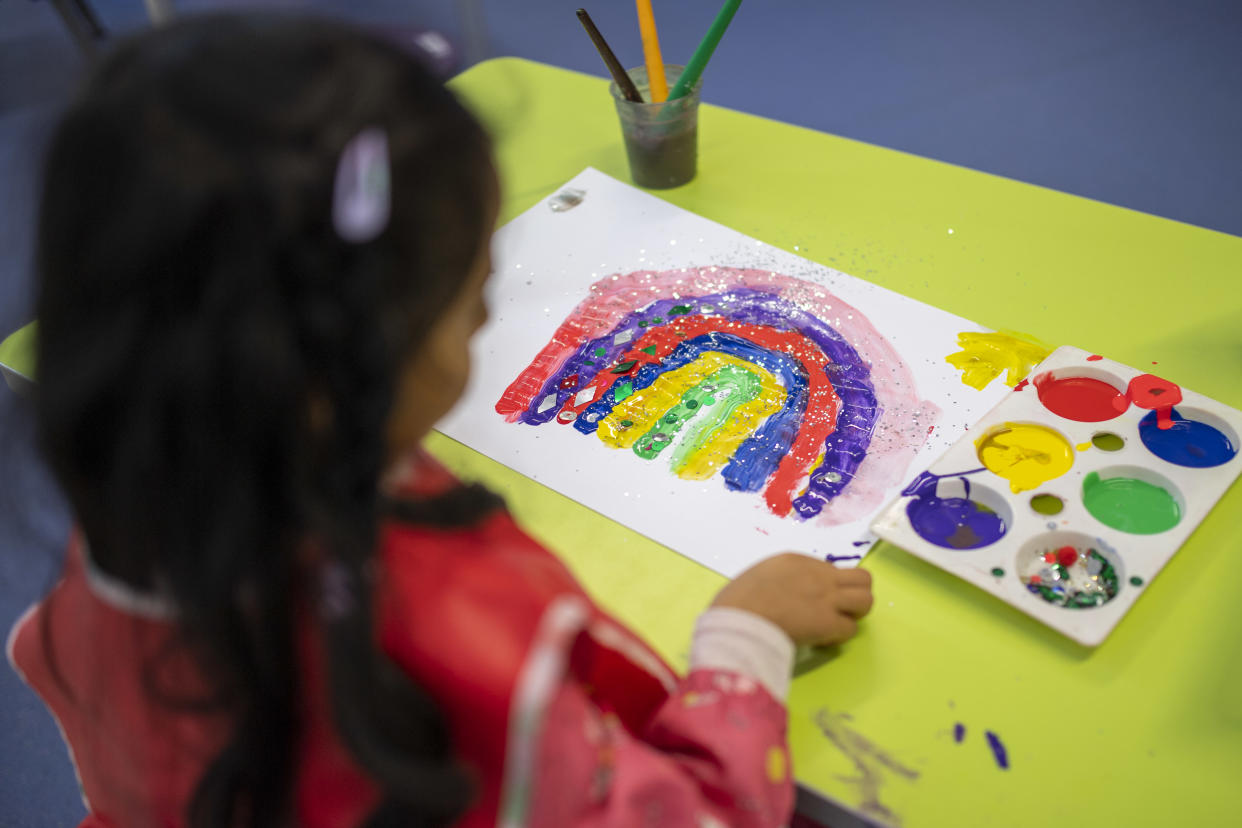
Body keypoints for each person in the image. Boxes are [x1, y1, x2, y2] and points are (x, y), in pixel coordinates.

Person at [7, 14, 874, 828]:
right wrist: (745, 641)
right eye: (470, 302)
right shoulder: (468, 646)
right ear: (340, 370)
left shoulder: (120, 540)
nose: (489, 326)